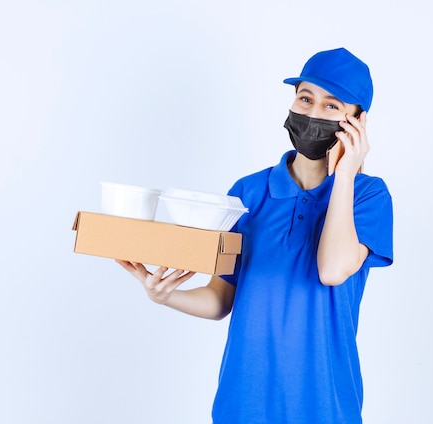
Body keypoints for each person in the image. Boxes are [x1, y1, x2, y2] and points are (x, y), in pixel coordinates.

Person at [117, 47, 394, 424]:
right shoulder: (247, 194)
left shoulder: (367, 196)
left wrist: (345, 175)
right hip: (244, 404)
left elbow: (332, 270)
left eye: (332, 106)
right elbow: (219, 298)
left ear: (358, 122)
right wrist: (165, 296)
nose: (312, 112)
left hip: (325, 406)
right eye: (305, 98)